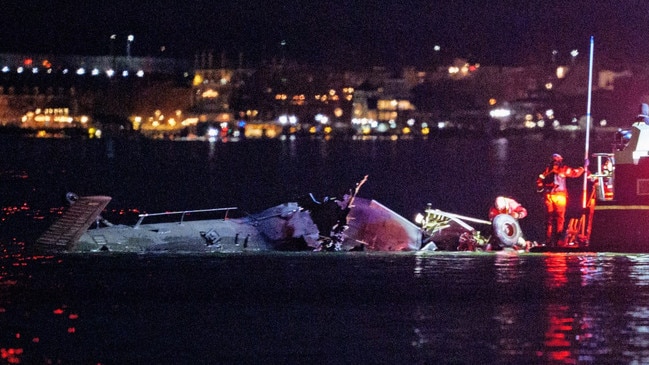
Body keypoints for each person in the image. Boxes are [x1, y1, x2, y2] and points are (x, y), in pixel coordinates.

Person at [536, 153, 585, 246]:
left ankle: (548, 241)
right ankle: (557, 241)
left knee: (549, 219)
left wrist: (542, 192)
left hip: (548, 196)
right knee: (559, 219)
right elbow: (575, 173)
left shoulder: (546, 170)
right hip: (559, 196)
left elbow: (539, 182)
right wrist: (583, 168)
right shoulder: (563, 169)